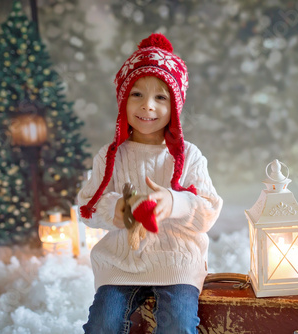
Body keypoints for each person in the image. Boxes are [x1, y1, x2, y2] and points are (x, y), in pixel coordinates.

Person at [78, 33, 223, 334]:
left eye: (160, 97)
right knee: (102, 325)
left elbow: (208, 209)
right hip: (121, 263)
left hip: (176, 262)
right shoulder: (110, 156)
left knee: (178, 325)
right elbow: (86, 206)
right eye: (137, 95)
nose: (148, 107)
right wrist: (119, 208)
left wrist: (174, 202)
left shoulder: (189, 156)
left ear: (175, 106)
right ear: (122, 99)